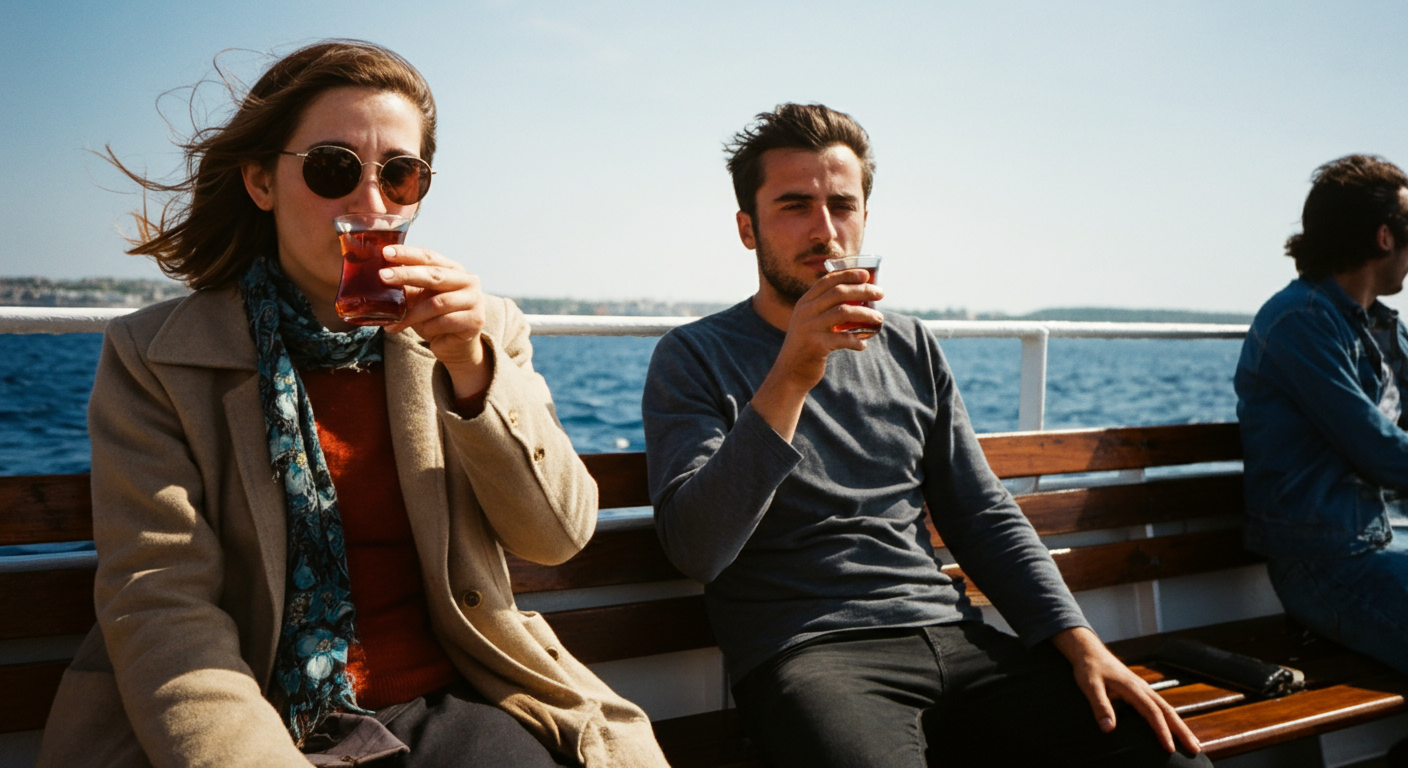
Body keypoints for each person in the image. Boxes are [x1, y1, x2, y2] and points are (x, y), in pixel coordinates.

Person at [37, 41, 668, 768]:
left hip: (442, 697)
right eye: (335, 168)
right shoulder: (155, 357)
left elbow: (555, 537)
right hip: (246, 710)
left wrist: (473, 370)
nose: (371, 204)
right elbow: (161, 603)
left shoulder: (480, 332)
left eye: (400, 175)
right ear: (260, 180)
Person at [642, 103, 1208, 767]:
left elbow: (982, 513)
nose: (824, 230)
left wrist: (1081, 641)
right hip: (809, 654)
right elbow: (696, 548)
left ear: (865, 218)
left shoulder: (910, 344)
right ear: (748, 228)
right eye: (794, 205)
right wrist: (792, 373)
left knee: (1166, 756)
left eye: (842, 205)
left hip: (952, 632)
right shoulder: (693, 356)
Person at [1236, 154, 1408, 678]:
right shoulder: (1300, 323)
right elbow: (1377, 448)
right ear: (1384, 237)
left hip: (1384, 541)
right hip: (1327, 563)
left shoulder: (1381, 328)